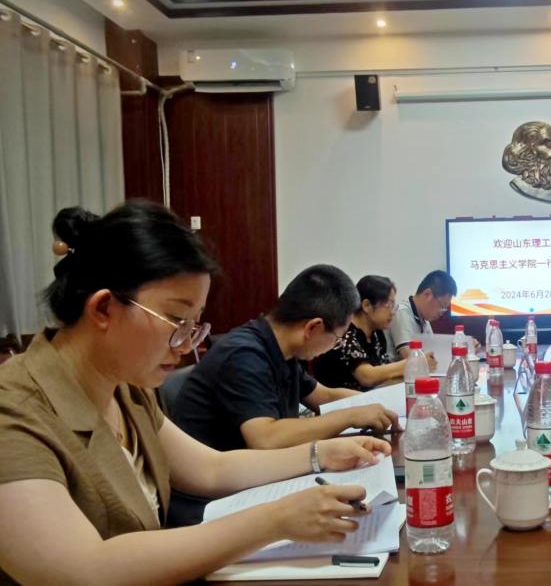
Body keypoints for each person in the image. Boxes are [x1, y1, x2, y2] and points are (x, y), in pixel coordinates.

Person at [0, 201, 390, 585]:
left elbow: (211, 469)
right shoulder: (14, 412)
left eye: (194, 325)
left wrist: (321, 455)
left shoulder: (124, 388)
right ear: (103, 308)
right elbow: (84, 570)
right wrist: (276, 520)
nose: (187, 344)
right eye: (175, 320)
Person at [170, 264, 398, 525]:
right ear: (313, 328)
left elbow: (323, 395)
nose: (334, 345)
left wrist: (375, 405)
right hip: (209, 506)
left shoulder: (283, 350)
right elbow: (266, 438)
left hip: (254, 481)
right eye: (337, 338)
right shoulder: (244, 354)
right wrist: (349, 416)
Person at [314, 275, 437, 390]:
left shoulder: (376, 334)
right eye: (389, 305)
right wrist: (415, 362)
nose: (393, 312)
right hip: (338, 402)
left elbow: (384, 376)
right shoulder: (345, 334)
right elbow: (368, 377)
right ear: (367, 305)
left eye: (394, 306)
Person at [387, 270, 458, 359]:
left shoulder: (424, 318)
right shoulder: (402, 312)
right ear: (427, 294)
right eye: (442, 306)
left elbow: (433, 353)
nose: (442, 312)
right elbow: (411, 358)